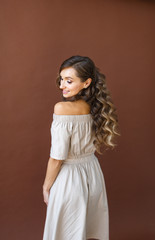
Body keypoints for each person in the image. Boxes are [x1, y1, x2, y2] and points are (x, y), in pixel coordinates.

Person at [42, 55, 120, 240]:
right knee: (86, 231)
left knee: (66, 232)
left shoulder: (61, 108)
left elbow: (57, 157)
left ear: (86, 83)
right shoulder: (95, 106)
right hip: (92, 174)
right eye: (61, 79)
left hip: (70, 179)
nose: (62, 85)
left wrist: (46, 186)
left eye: (69, 81)